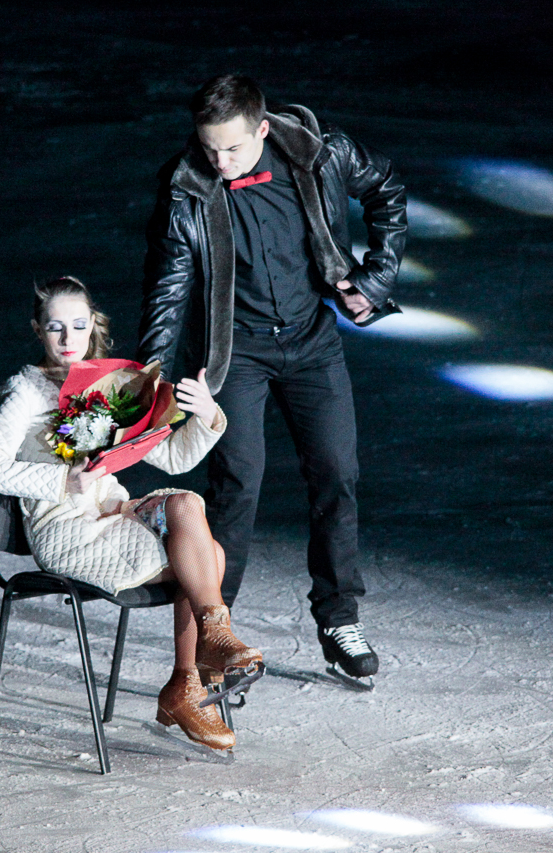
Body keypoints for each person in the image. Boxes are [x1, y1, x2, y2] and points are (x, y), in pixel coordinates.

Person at [137, 74, 407, 681]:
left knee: (337, 473)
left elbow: (386, 186)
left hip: (313, 342)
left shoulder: (321, 152)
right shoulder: (186, 188)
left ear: (262, 128)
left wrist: (376, 277)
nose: (220, 162)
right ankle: (217, 635)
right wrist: (149, 375)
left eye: (233, 148)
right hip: (234, 355)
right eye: (209, 149)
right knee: (237, 487)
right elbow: (169, 284)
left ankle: (339, 618)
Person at [0, 275, 262, 751]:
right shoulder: (28, 392)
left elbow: (174, 459)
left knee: (187, 506)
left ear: (93, 326)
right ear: (39, 330)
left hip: (113, 515)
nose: (68, 338)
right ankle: (189, 681)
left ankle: (204, 652)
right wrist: (62, 481)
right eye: (55, 327)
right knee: (208, 557)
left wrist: (208, 416)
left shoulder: (107, 386)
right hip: (66, 531)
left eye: (78, 325)